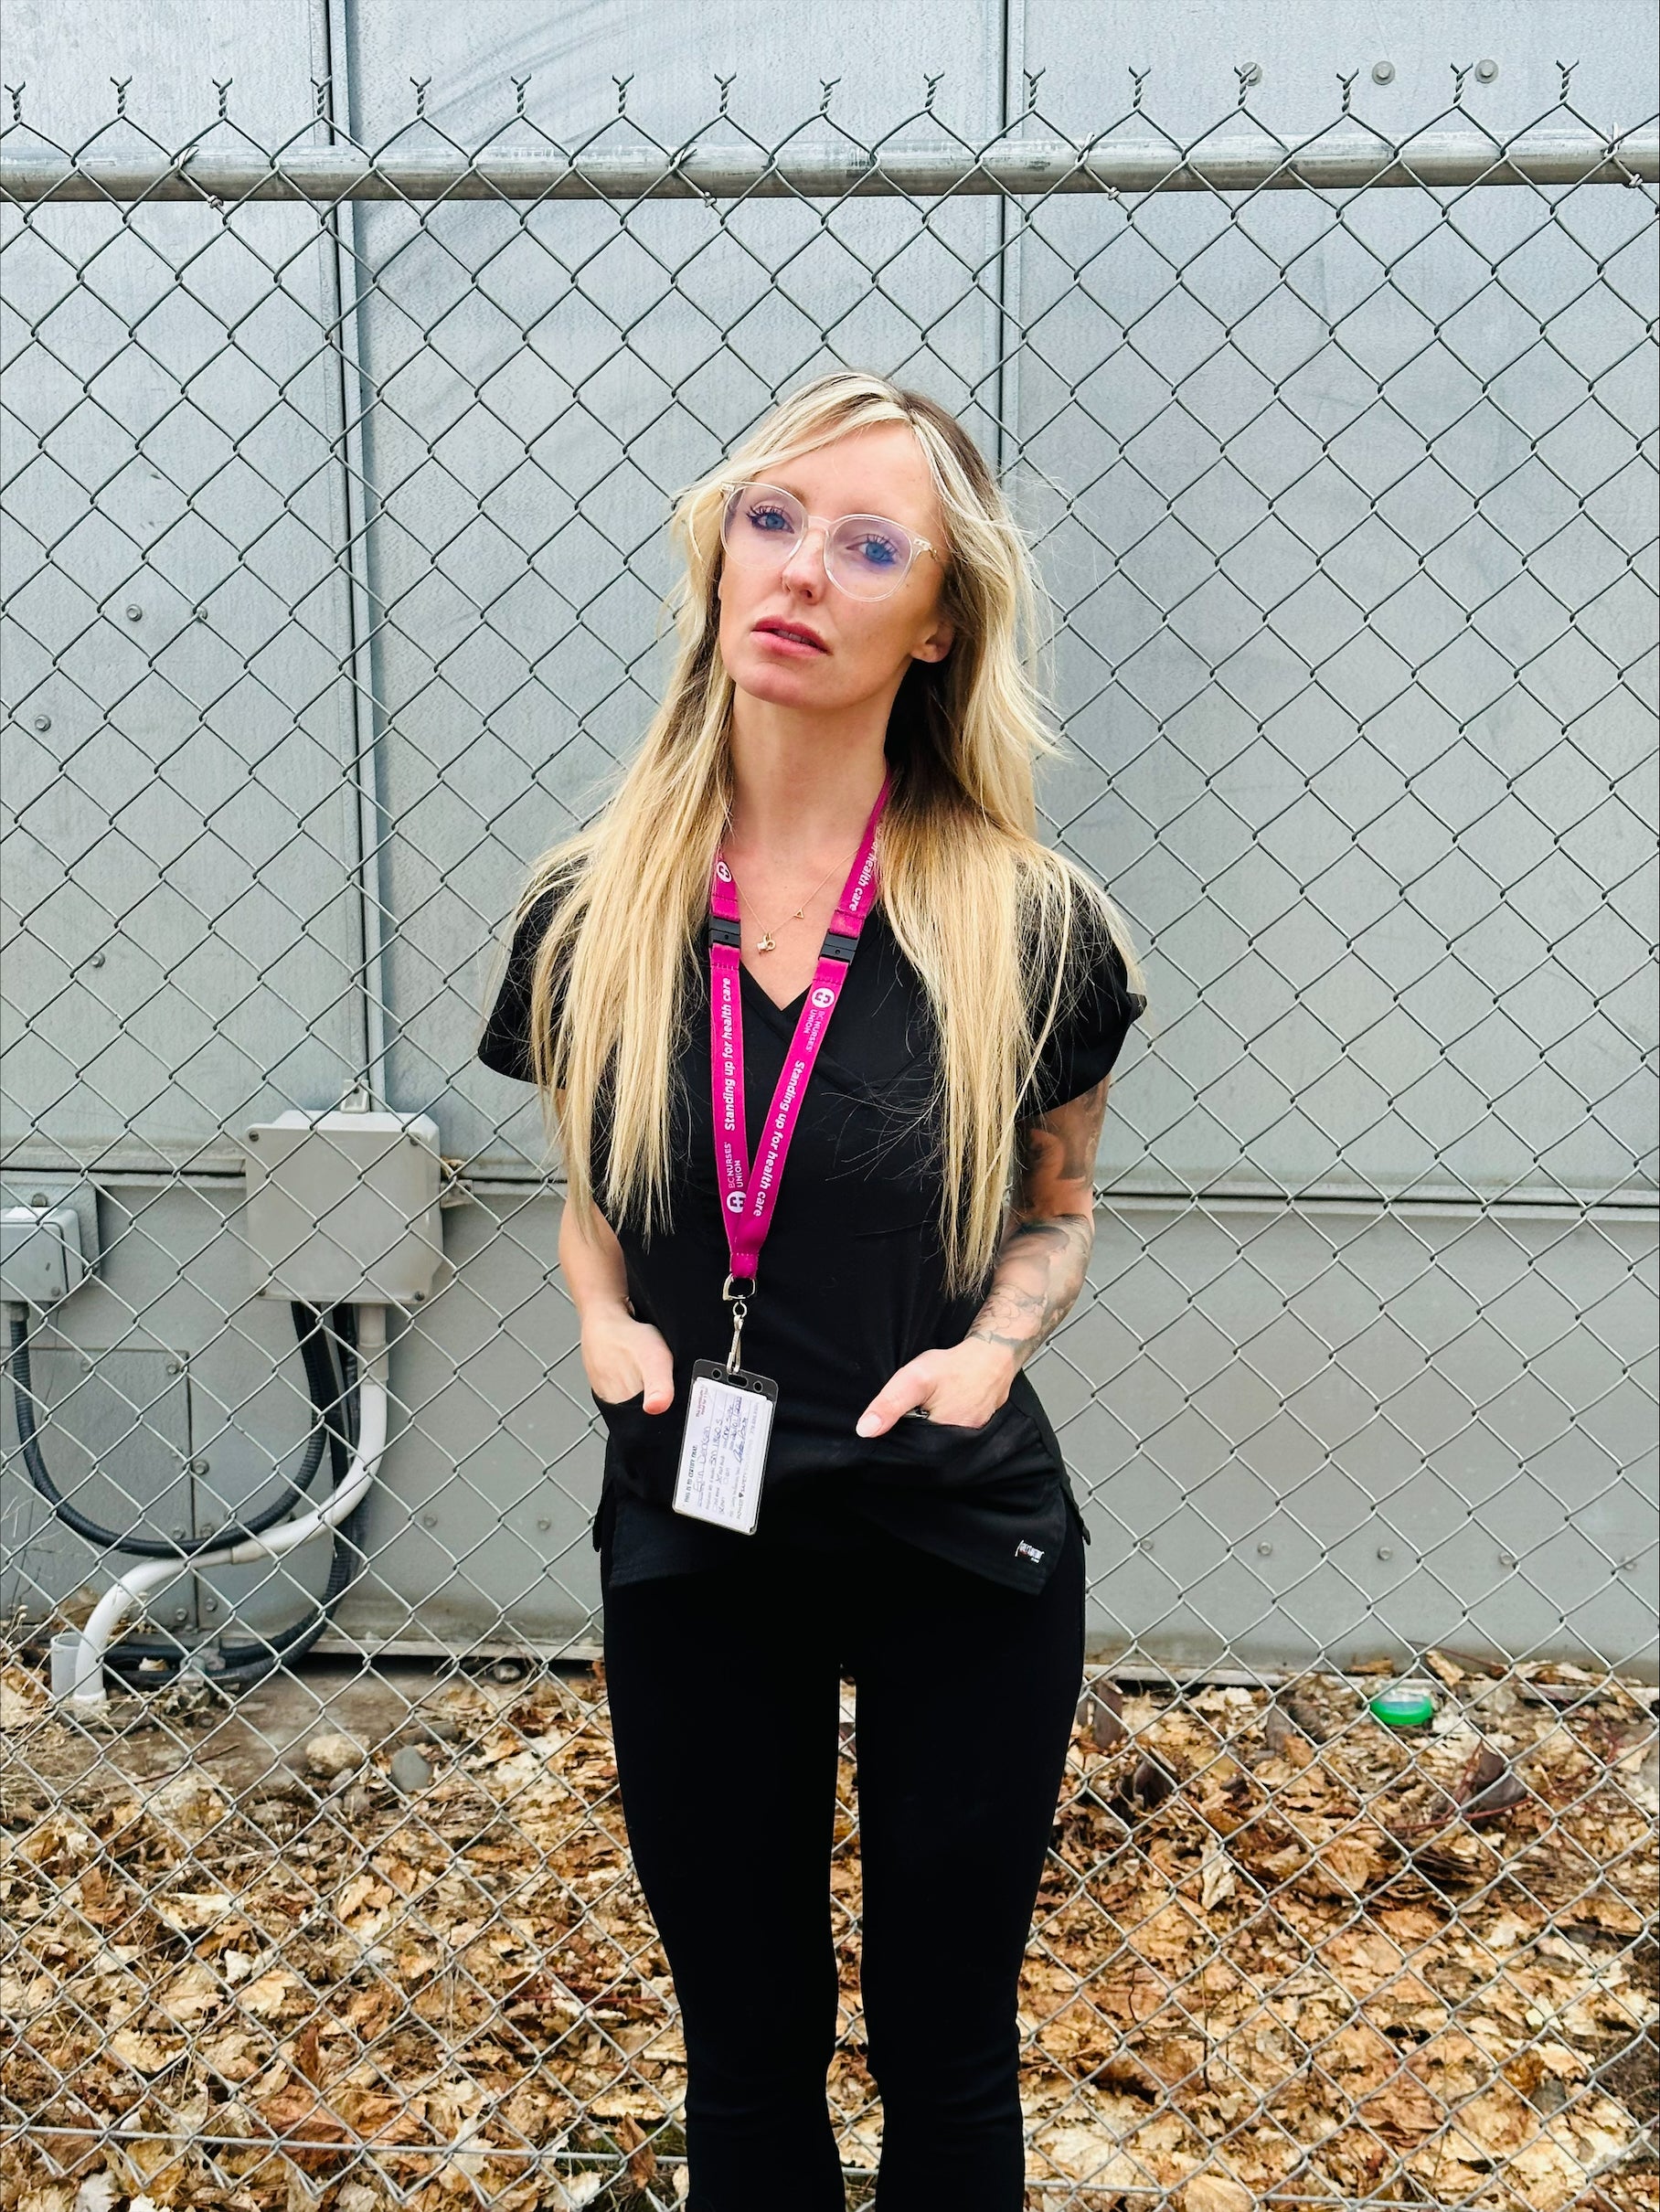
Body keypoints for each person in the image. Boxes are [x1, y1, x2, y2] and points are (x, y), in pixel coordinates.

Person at [476, 369, 1148, 2211]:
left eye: (867, 546)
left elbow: (1057, 1213)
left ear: (938, 620)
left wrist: (988, 1351)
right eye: (769, 521)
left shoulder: (1029, 921)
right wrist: (602, 1326)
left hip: (952, 1531)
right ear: (716, 549)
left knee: (946, 2052)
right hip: (694, 1526)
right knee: (743, 2052)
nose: (799, 573)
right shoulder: (588, 909)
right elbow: (591, 1200)